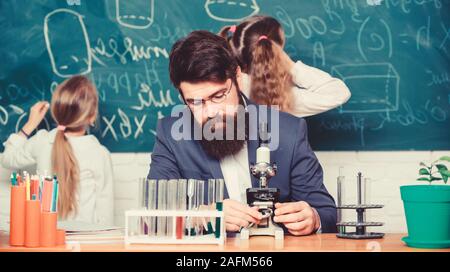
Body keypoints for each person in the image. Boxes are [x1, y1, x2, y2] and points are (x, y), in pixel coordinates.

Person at [148, 31, 337, 235]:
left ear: (237, 76)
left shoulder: (289, 130)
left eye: (219, 95)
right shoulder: (170, 134)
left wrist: (313, 218)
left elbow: (326, 213)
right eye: (195, 102)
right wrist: (201, 216)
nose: (211, 112)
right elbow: (153, 218)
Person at [2, 76, 114, 225]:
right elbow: (105, 214)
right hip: (86, 242)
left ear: (57, 112)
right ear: (92, 117)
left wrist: (30, 124)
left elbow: (7, 159)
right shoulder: (100, 154)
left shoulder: (42, 141)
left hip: (46, 239)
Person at [219, 15, 351, 116]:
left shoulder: (215, 87)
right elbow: (339, 93)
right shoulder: (280, 97)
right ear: (277, 51)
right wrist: (291, 66)